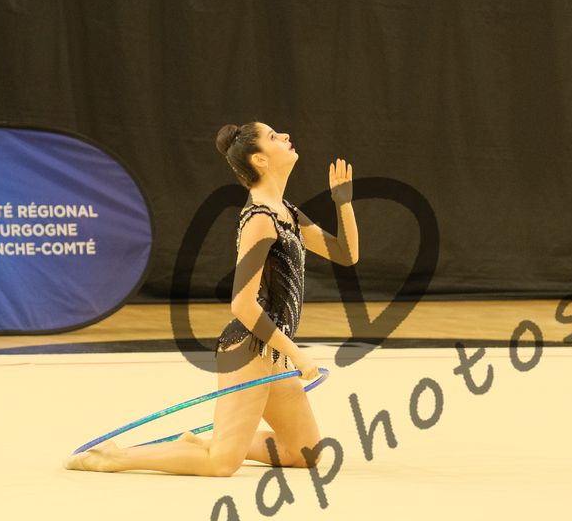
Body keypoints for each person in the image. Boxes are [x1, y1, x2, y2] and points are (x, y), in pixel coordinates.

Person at [66, 121, 358, 476]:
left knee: (305, 452)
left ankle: (205, 442)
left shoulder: (288, 212)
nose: (285, 136)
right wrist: (297, 352)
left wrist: (342, 202)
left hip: (273, 350)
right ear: (260, 160)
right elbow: (242, 304)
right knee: (220, 464)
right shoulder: (260, 219)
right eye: (273, 136)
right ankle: (113, 457)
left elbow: (345, 254)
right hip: (250, 349)